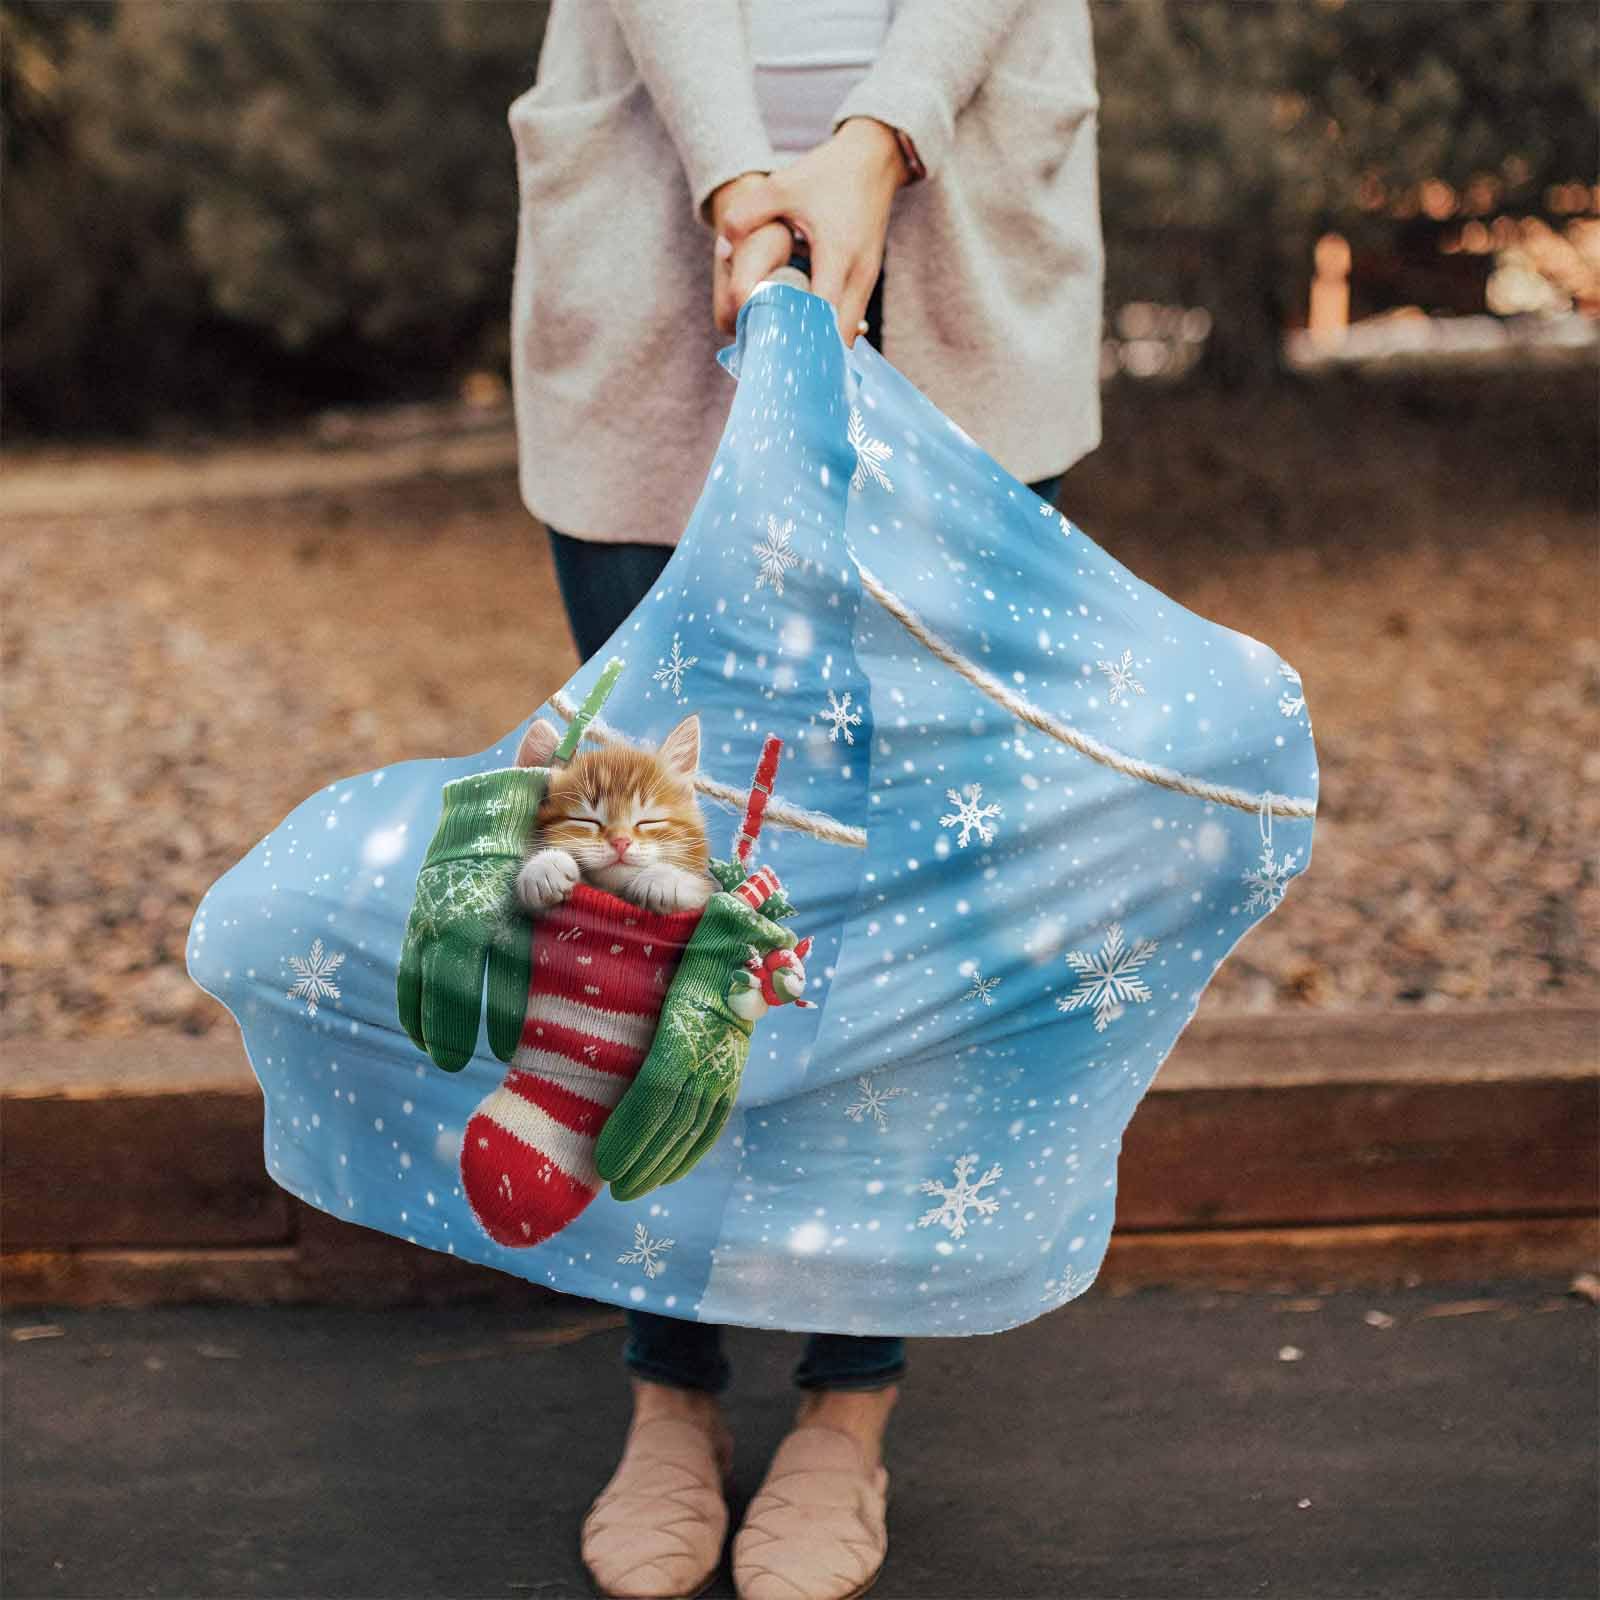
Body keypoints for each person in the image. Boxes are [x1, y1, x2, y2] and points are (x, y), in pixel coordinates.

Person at [505, 3, 1102, 1596]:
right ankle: (670, 1386)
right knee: (654, 869)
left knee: (904, 885)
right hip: (657, 225)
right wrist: (733, 178)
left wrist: (877, 137)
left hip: (958, 229)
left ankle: (850, 1402)